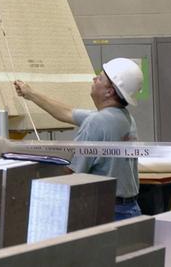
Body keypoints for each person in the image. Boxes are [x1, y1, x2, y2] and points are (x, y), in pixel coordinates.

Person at [13, 57, 145, 220]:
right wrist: (30, 93)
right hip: (129, 209)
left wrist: (29, 178)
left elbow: (70, 172)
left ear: (109, 91)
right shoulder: (124, 118)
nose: (94, 79)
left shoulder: (96, 122)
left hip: (107, 212)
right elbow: (66, 112)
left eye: (100, 78)